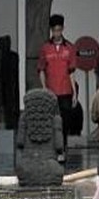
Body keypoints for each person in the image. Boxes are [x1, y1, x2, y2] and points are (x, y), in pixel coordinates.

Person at [37, 14, 77, 159]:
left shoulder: (70, 48)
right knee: (52, 121)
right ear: (51, 30)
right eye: (54, 31)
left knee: (65, 122)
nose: (57, 34)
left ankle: (63, 149)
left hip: (66, 91)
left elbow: (71, 71)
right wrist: (44, 88)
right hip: (51, 91)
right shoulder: (45, 48)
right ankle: (53, 149)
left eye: (59, 30)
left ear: (63, 29)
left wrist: (75, 93)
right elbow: (41, 70)